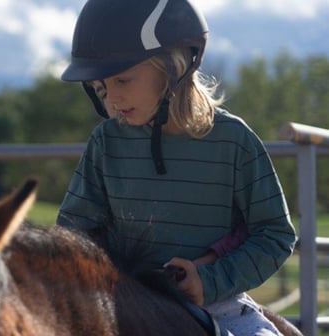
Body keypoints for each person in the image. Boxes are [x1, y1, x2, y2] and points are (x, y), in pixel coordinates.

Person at [55, 0, 297, 335]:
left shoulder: (234, 141)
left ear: (173, 66)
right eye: (101, 87)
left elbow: (275, 235)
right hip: (123, 301)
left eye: (123, 81)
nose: (111, 99)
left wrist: (209, 281)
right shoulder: (106, 142)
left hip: (217, 305)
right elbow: (72, 234)